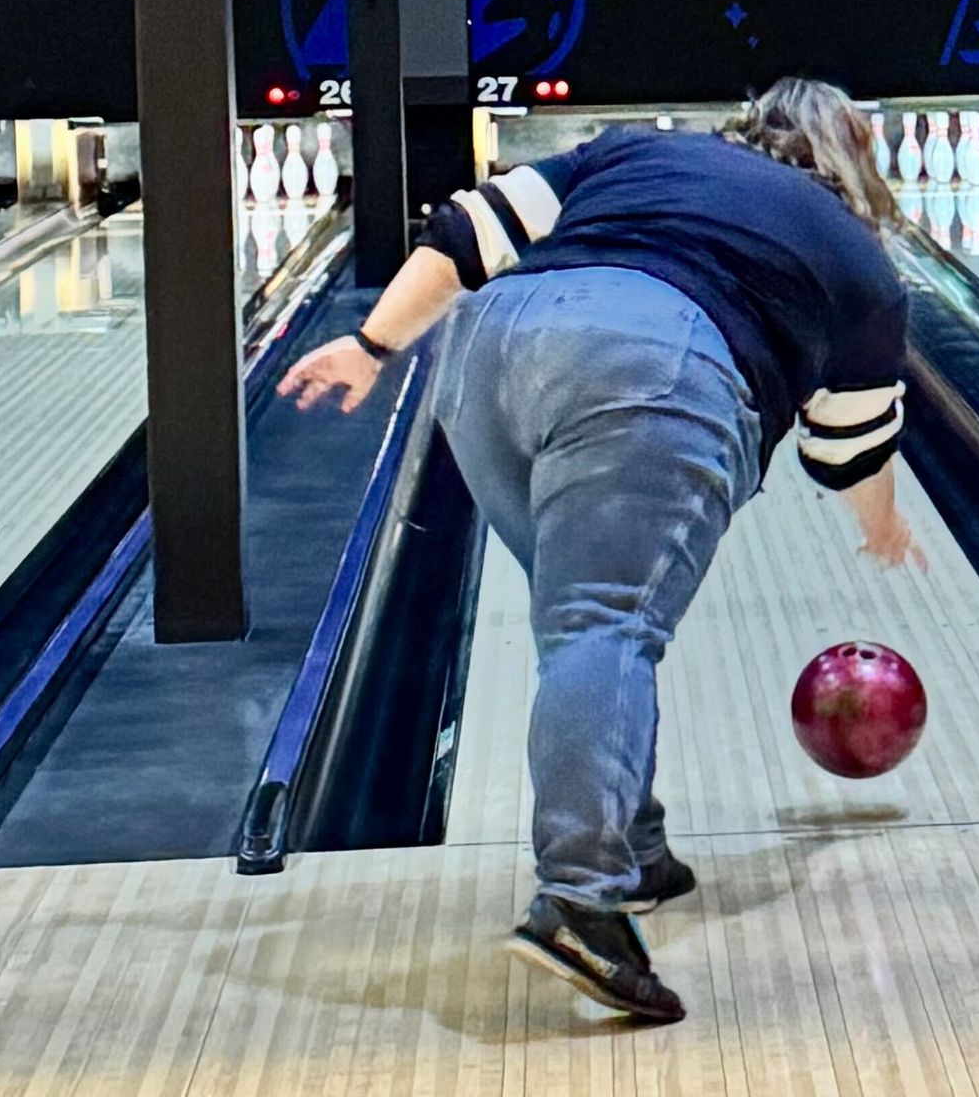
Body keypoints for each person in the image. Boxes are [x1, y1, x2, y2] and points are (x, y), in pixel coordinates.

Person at [277, 76, 919, 1027]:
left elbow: (465, 232)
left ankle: (636, 847)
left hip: (489, 359)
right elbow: (850, 447)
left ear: (745, 129)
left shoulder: (636, 152)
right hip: (651, 368)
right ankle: (580, 899)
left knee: (582, 626)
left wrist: (370, 347)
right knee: (606, 627)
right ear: (854, 159)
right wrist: (882, 524)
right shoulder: (857, 261)